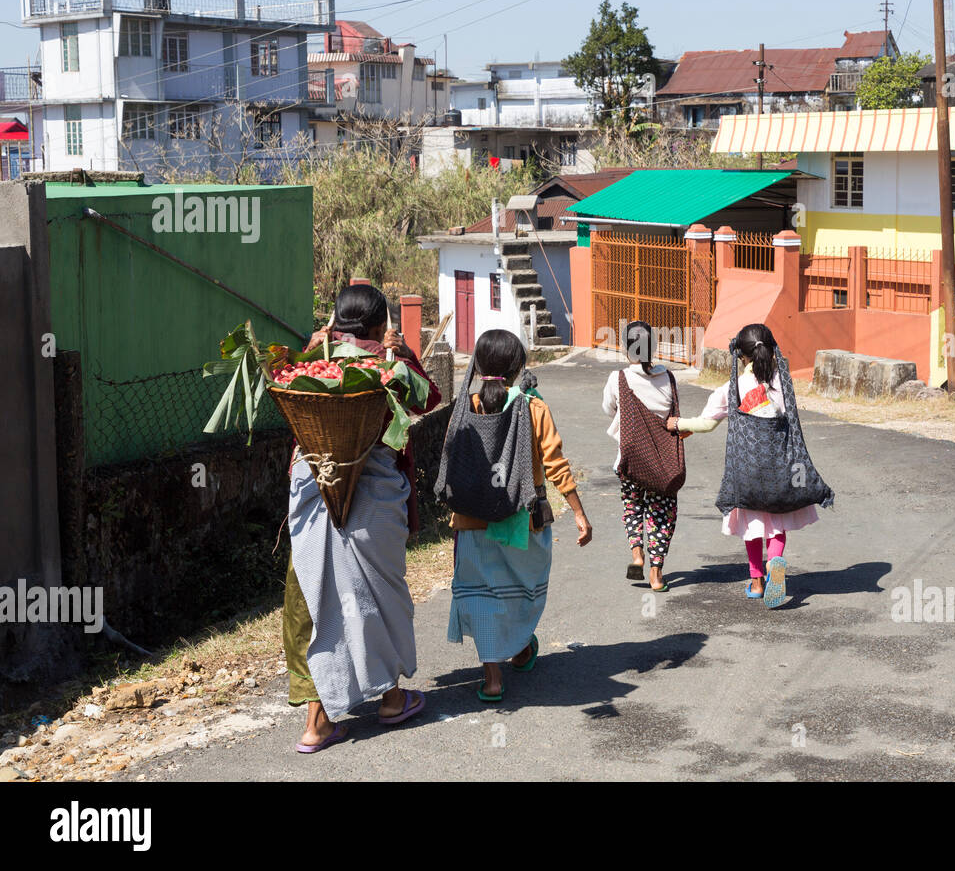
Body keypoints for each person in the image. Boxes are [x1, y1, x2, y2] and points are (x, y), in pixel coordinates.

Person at [283, 284, 440, 753]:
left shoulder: (312, 357)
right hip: (373, 497)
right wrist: (404, 352)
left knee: (318, 598)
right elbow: (426, 399)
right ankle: (390, 698)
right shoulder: (386, 362)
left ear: (335, 321)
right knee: (374, 592)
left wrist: (314, 345)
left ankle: (317, 721)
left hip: (312, 488)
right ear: (378, 325)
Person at [447, 329, 593, 701]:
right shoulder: (533, 407)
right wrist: (578, 513)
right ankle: (522, 646)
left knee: (483, 595)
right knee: (520, 593)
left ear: (477, 365)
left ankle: (492, 678)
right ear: (517, 367)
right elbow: (556, 464)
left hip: (472, 522)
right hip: (523, 521)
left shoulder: (466, 408)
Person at [667, 323, 819, 608]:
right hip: (779, 467)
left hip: (747, 469)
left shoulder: (733, 387)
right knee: (776, 523)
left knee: (752, 525)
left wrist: (679, 424)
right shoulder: (783, 384)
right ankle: (776, 564)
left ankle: (757, 581)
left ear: (742, 357)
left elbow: (707, 423)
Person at [601, 320, 685, 592]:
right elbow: (674, 415)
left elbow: (609, 409)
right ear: (654, 348)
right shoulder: (669, 379)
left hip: (630, 458)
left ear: (626, 349)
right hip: (663, 463)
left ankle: (637, 554)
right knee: (662, 514)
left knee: (633, 504)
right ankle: (656, 574)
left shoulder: (619, 378)